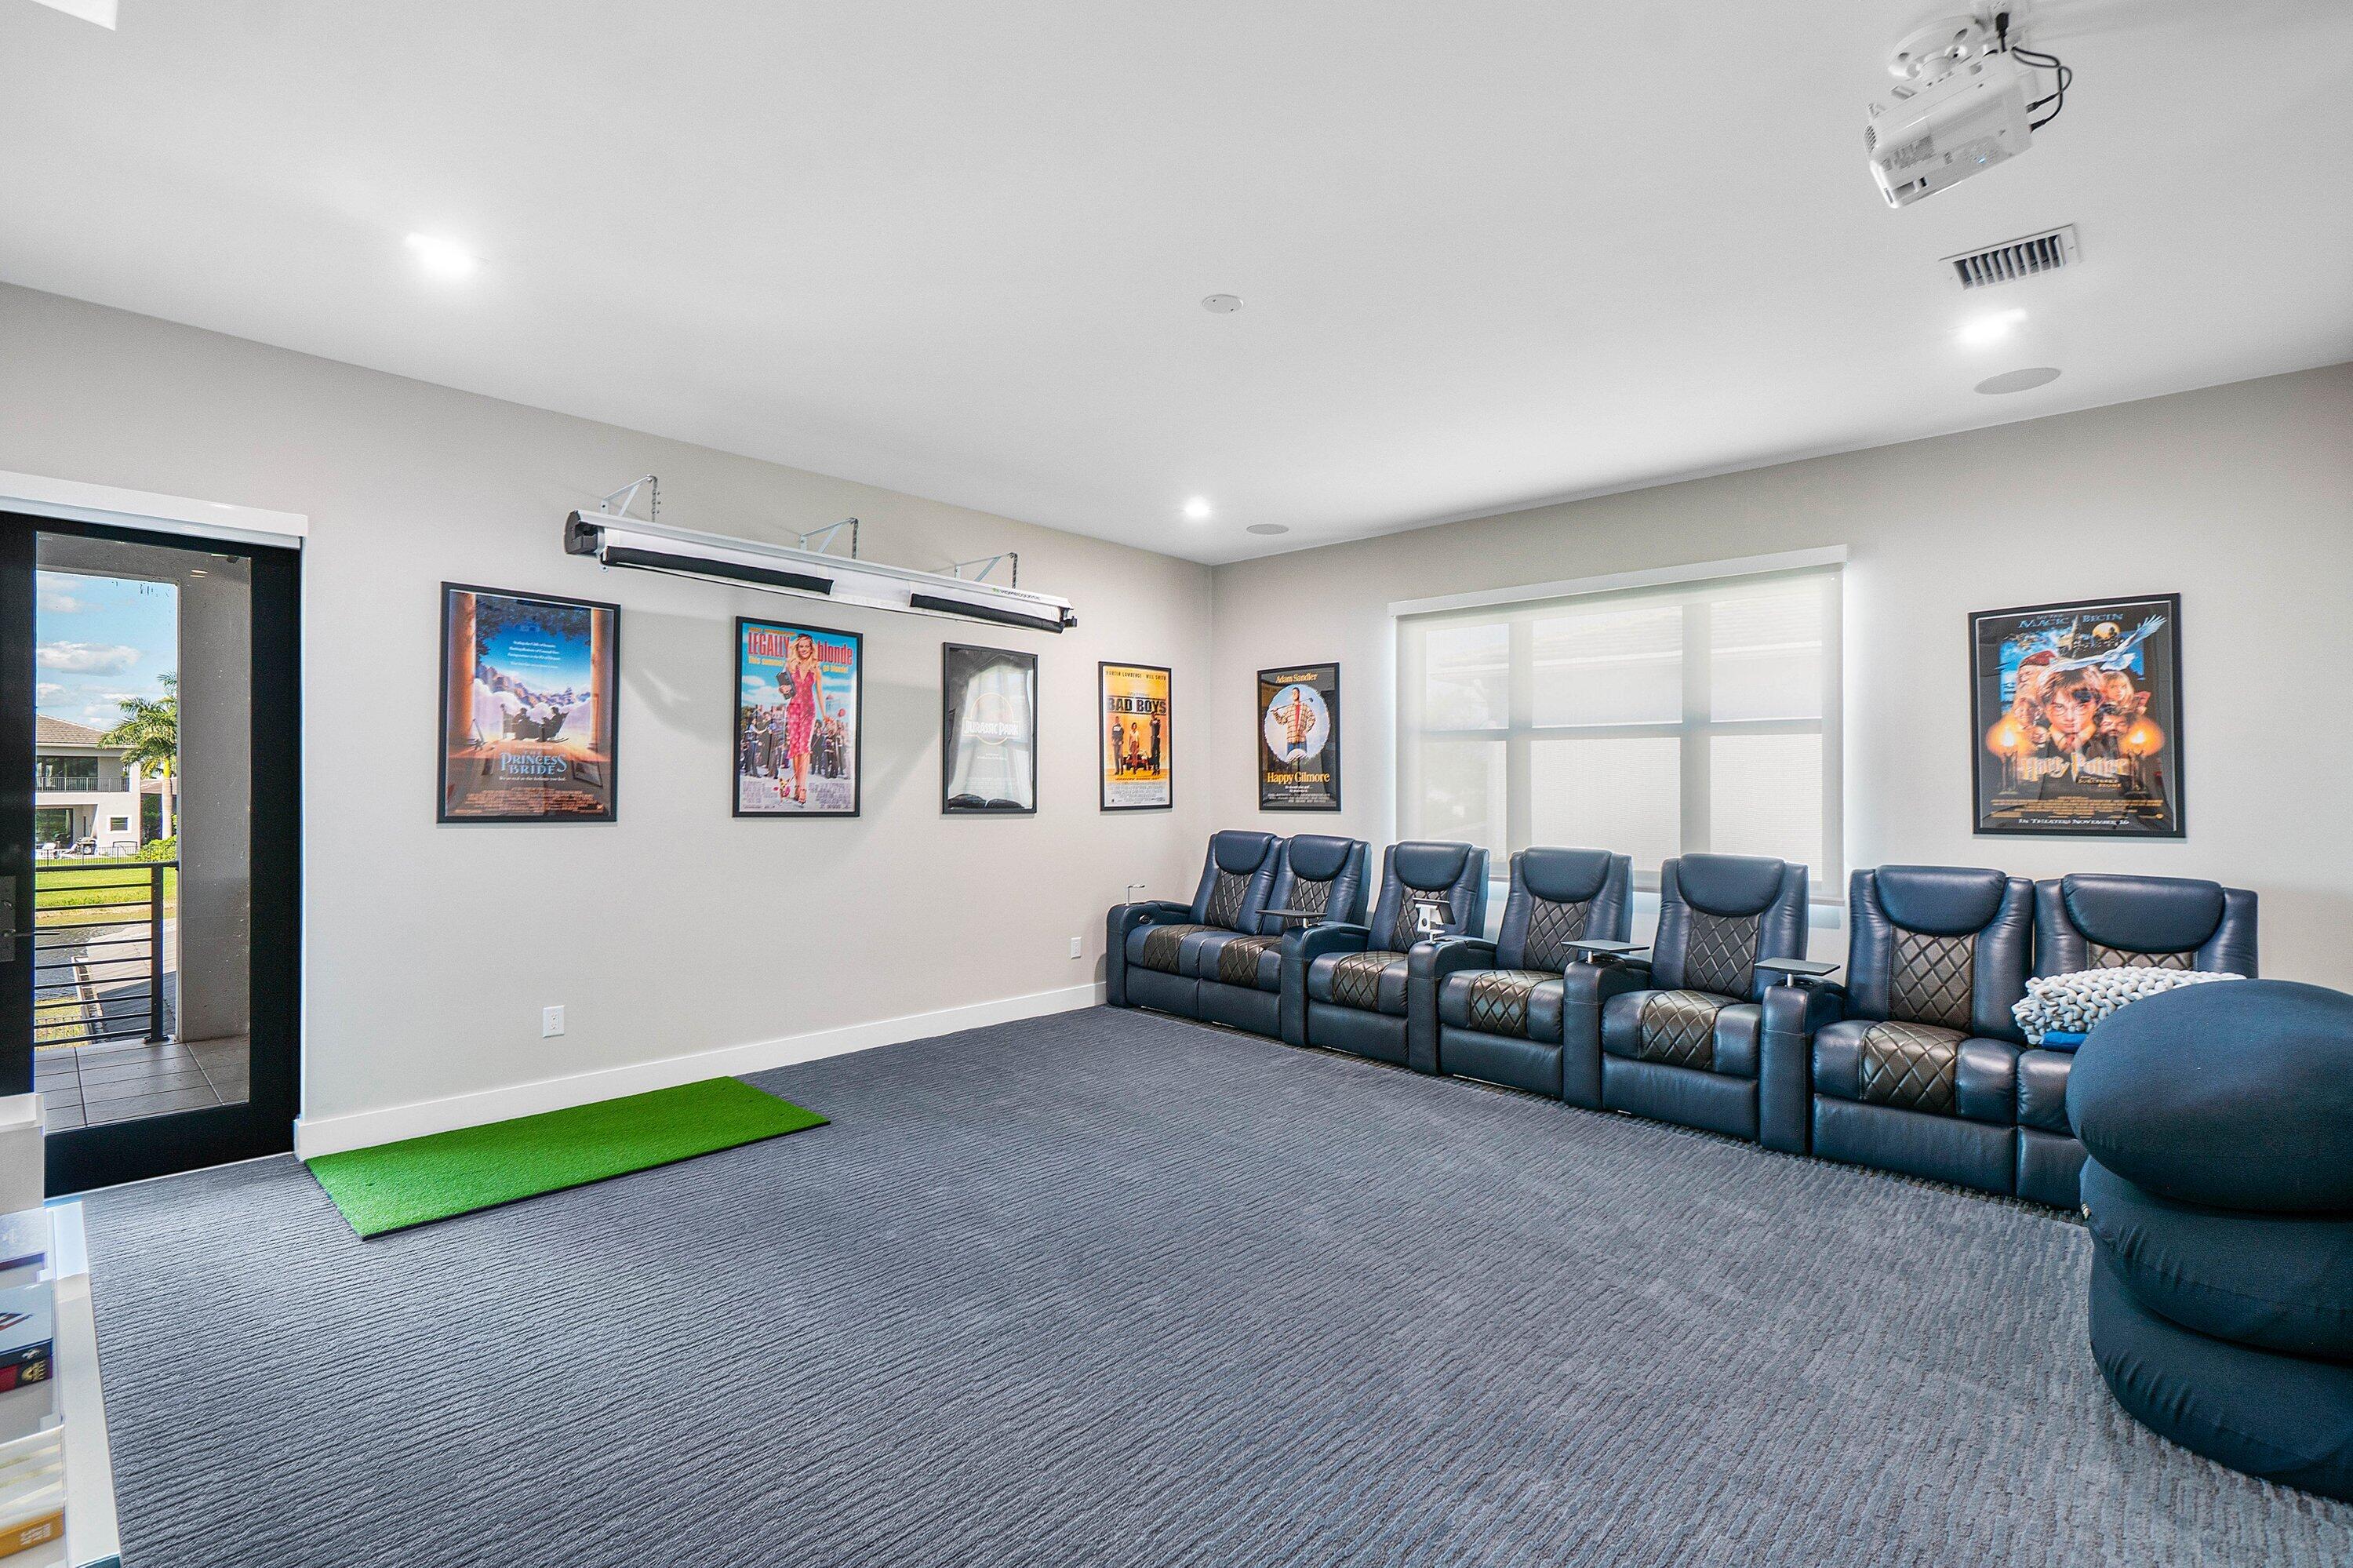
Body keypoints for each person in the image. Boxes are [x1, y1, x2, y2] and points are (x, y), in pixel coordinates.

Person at [781, 634, 822, 806]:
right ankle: (797, 786)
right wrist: (783, 689)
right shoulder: (790, 665)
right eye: (801, 646)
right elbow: (785, 690)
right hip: (794, 708)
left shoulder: (816, 668)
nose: (804, 649)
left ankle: (803, 788)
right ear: (797, 648)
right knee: (796, 747)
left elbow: (819, 692)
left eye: (807, 646)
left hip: (809, 710)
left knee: (804, 747)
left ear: (811, 648)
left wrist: (825, 714)